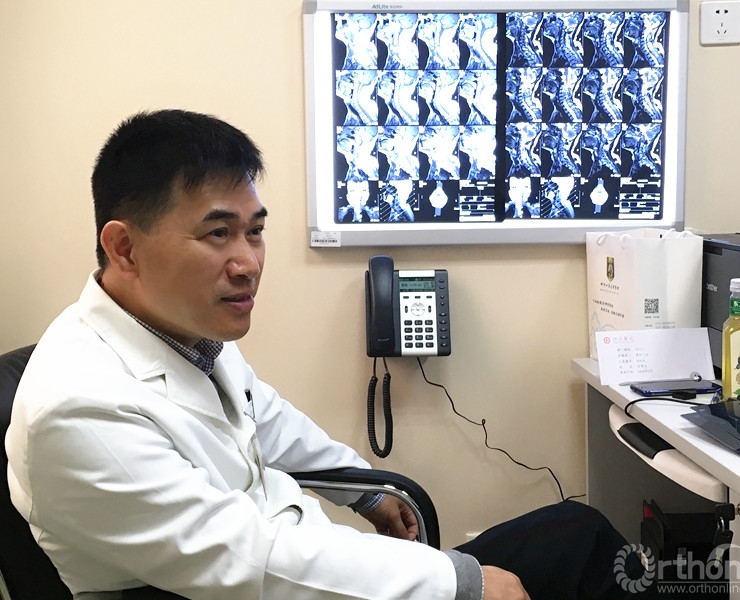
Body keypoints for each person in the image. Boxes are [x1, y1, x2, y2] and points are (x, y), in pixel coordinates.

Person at [6, 109, 638, 600]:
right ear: (124, 248)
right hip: (269, 584)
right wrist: (458, 583)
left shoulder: (179, 332)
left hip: (302, 563)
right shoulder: (79, 407)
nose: (248, 262)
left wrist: (367, 489)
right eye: (218, 233)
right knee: (576, 549)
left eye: (255, 232)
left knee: (575, 534)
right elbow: (248, 561)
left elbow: (266, 417)